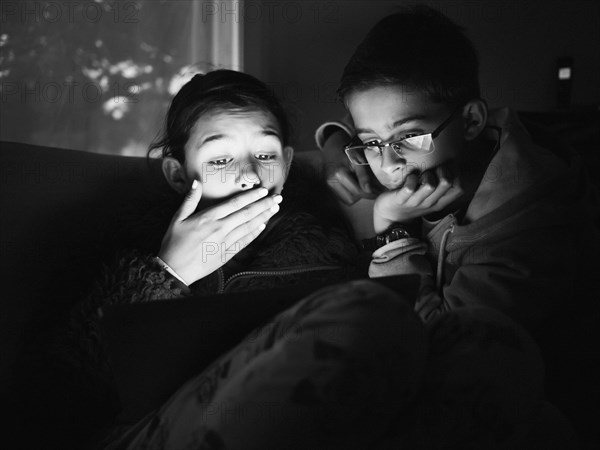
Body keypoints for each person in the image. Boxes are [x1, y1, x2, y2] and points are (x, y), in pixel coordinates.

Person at [23, 69, 367, 449]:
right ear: (177, 175)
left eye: (266, 154)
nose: (250, 176)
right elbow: (57, 394)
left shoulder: (325, 241)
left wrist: (338, 143)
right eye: (220, 160)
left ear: (286, 163)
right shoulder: (126, 249)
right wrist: (168, 271)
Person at [316, 5, 600, 446]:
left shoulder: (530, 222)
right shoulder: (424, 157)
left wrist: (389, 227)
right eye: (370, 142)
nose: (388, 165)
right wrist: (338, 144)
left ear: (471, 120)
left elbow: (445, 348)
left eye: (407, 136)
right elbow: (378, 136)